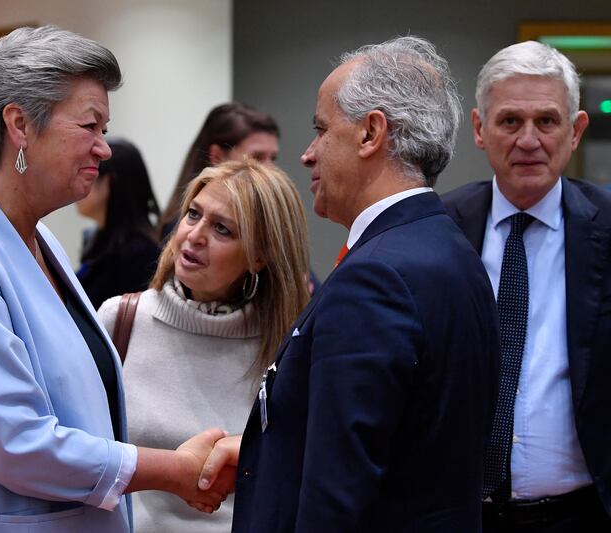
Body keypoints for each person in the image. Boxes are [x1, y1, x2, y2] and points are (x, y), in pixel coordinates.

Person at [0, 26, 233, 532]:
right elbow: (17, 441)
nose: (103, 149)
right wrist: (172, 469)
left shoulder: (41, 242)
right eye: (90, 126)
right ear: (19, 124)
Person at [200, 36, 501, 532]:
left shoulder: (375, 276)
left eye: (321, 131)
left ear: (371, 133)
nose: (307, 155)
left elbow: (337, 492)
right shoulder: (451, 249)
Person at [442, 41, 611, 532]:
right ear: (479, 128)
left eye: (547, 121)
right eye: (510, 121)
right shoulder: (439, 228)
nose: (529, 140)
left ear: (576, 131)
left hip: (583, 514)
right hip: (459, 516)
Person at [98, 159, 310, 532]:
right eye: (193, 214)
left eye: (222, 229)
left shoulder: (287, 345)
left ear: (259, 255)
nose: (195, 236)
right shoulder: (121, 320)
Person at [159, 102, 280, 238]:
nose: (270, 169)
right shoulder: (179, 230)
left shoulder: (267, 220)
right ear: (216, 156)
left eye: (273, 158)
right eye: (256, 158)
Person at [77, 138, 161, 309]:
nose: (78, 181)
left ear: (109, 182)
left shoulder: (140, 256)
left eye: (88, 172)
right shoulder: (99, 243)